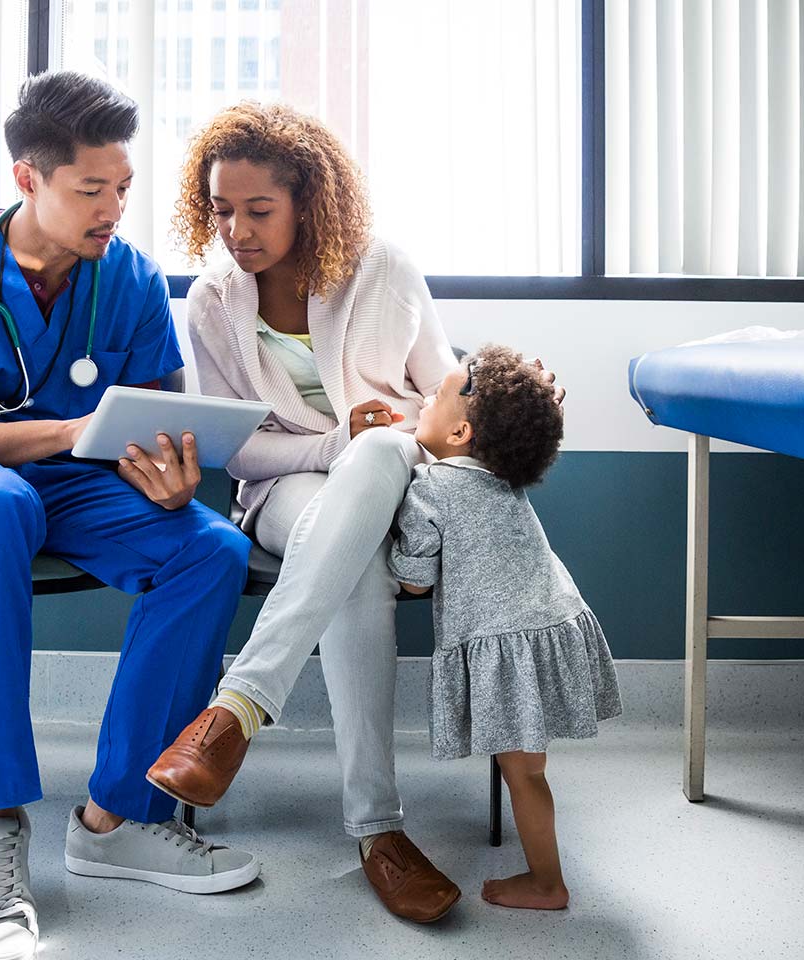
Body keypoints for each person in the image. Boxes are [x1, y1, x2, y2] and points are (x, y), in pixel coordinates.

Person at [0, 71, 260, 960]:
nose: (113, 207)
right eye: (91, 189)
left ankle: (116, 818)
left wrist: (169, 478)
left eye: (123, 187)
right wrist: (69, 431)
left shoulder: (131, 279)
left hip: (74, 484)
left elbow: (156, 420)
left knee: (211, 551)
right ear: (27, 179)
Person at [146, 101, 563, 923]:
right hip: (282, 490)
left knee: (375, 459)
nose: (236, 230)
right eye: (221, 210)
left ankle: (235, 711)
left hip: (399, 476)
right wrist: (332, 443)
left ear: (308, 199)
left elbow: (444, 400)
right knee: (354, 535)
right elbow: (238, 449)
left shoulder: (384, 271)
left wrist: (509, 403)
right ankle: (378, 830)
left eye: (258, 210)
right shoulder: (212, 302)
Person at [389, 344, 622, 910]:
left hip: (508, 640)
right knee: (530, 772)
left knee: (525, 777)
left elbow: (415, 580)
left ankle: (547, 883)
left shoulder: (431, 489)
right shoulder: (503, 476)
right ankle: (546, 877)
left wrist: (390, 538)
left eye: (436, 396)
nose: (424, 399)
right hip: (550, 623)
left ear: (463, 431)